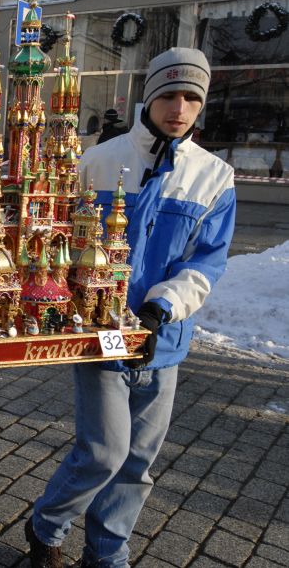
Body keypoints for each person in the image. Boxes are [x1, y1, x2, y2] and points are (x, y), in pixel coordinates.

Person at [26, 48, 236, 568]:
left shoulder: (215, 176)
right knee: (103, 452)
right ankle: (46, 527)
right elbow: (57, 240)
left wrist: (162, 306)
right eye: (169, 94)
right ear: (150, 96)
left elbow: (206, 262)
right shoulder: (97, 161)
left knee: (138, 462)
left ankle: (107, 554)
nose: (180, 108)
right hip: (101, 336)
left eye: (192, 98)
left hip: (161, 342)